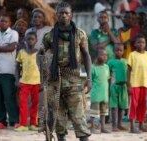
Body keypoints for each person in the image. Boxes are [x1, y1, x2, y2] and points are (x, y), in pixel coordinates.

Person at [42, 2, 91, 141]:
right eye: (61, 13)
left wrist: (89, 79)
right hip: (54, 79)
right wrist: (43, 74)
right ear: (56, 15)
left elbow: (86, 55)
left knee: (78, 115)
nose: (63, 15)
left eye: (66, 13)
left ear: (71, 15)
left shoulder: (80, 34)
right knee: (57, 116)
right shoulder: (49, 36)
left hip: (74, 79)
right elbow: (40, 55)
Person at [127, 35, 147, 133]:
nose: (141, 44)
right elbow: (128, 70)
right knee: (133, 104)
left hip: (144, 84)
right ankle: (132, 127)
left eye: (143, 42)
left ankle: (141, 125)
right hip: (134, 83)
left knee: (143, 105)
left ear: (145, 44)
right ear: (135, 44)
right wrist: (128, 84)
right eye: (138, 42)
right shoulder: (132, 55)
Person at [15, 31, 40, 131]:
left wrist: (43, 81)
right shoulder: (21, 52)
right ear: (25, 40)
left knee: (35, 103)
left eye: (32, 39)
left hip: (37, 82)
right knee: (23, 103)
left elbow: (43, 68)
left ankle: (33, 124)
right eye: (28, 39)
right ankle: (23, 124)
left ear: (36, 40)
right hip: (24, 81)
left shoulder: (39, 53)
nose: (30, 41)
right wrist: (17, 80)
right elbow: (17, 67)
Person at [107, 43, 128, 131]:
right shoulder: (110, 62)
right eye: (117, 50)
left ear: (123, 51)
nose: (119, 52)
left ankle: (119, 124)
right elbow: (108, 76)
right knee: (114, 107)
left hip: (123, 87)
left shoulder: (126, 61)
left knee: (122, 107)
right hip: (114, 86)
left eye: (121, 50)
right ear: (113, 51)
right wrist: (108, 88)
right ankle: (114, 125)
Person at [90, 49, 110, 134]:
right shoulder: (92, 67)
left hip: (104, 94)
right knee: (94, 113)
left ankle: (103, 127)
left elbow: (108, 79)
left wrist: (108, 92)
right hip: (96, 94)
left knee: (103, 112)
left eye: (106, 55)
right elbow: (90, 80)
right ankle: (92, 127)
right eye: (102, 55)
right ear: (97, 56)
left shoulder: (106, 67)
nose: (104, 57)